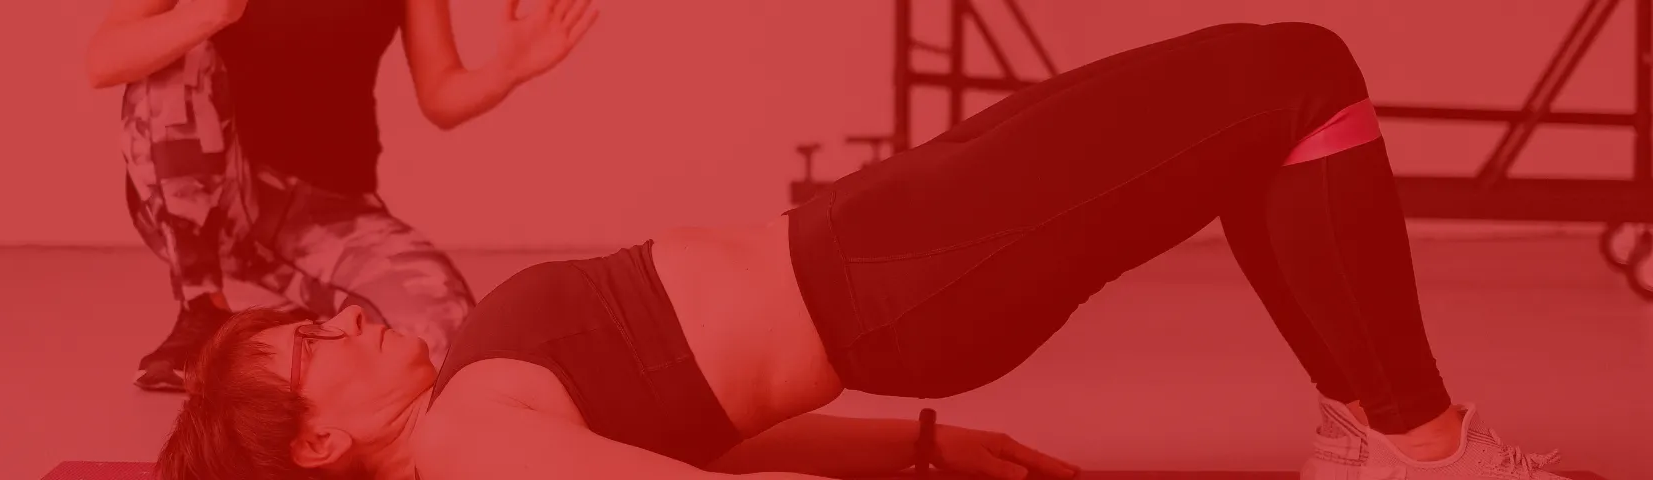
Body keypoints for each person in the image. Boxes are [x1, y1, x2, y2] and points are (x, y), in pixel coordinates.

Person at [157, 23, 1573, 480]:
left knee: (1265, 112)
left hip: (879, 244)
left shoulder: (478, 402)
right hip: (897, 273)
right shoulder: (472, 446)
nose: (344, 320)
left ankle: (1373, 437)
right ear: (317, 446)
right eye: (314, 348)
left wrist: (926, 449)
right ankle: (1418, 442)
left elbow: (708, 432)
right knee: (1296, 75)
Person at [85, 0, 601, 391]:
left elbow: (440, 95)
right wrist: (206, 14)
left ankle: (282, 317)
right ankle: (203, 308)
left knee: (442, 331)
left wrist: (505, 69)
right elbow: (103, 60)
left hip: (331, 214)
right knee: (178, 59)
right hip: (218, 201)